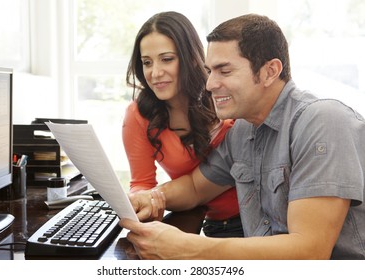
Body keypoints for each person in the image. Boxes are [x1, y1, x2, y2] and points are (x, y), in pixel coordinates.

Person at [120, 13, 365, 260]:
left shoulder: (323, 121)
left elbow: (310, 252)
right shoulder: (243, 130)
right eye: (210, 71)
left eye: (224, 71)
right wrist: (151, 197)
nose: (209, 84)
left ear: (270, 71)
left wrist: (189, 247)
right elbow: (195, 187)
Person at [122, 11, 243, 237]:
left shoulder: (222, 95)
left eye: (167, 59)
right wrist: (143, 200)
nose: (155, 73)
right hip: (215, 223)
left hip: (263, 217)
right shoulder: (139, 115)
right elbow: (141, 184)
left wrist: (155, 196)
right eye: (147, 62)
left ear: (189, 57)